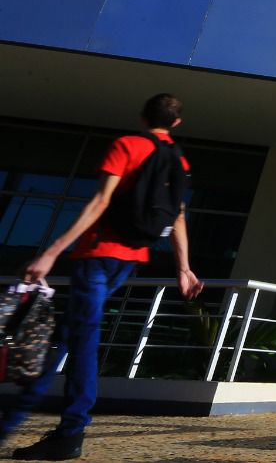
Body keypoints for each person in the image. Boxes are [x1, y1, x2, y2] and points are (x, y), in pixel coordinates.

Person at [1, 94, 204, 461]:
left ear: (143, 117)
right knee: (69, 336)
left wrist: (51, 252)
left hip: (97, 255)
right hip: (130, 260)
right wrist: (183, 268)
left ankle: (63, 430)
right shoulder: (179, 159)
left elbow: (99, 202)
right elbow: (177, 216)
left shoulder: (128, 145)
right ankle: (35, 424)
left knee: (82, 341)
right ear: (176, 123)